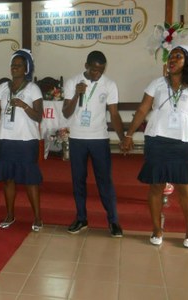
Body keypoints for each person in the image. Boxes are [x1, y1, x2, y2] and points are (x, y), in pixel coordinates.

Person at [121, 45, 188, 248]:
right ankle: (157, 229)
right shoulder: (156, 83)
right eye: (171, 56)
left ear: (187, 63)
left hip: (181, 143)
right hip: (156, 141)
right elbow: (142, 110)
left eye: (178, 56)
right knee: (156, 186)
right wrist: (129, 134)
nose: (172, 59)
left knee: (185, 188)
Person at [0, 49, 44, 232]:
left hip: (26, 140)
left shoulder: (33, 89)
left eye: (19, 65)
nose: (14, 68)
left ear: (26, 69)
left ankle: (38, 217)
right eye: (13, 65)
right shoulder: (2, 89)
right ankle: (9, 214)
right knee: (8, 179)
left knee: (30, 180)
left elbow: (38, 117)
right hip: (5, 139)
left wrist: (24, 106)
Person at [62, 50, 125, 237]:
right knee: (78, 181)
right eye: (95, 70)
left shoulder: (109, 85)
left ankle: (113, 221)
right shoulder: (72, 82)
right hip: (78, 139)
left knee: (104, 181)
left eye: (101, 70)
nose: (98, 74)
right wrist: (76, 94)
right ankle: (81, 218)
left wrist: (123, 138)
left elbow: (114, 114)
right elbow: (66, 112)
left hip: (99, 138)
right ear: (86, 66)